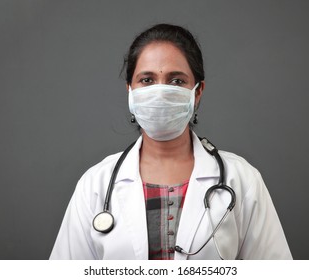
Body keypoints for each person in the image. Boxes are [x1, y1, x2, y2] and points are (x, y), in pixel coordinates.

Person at [50, 23, 292, 260]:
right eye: (147, 80)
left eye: (176, 81)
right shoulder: (95, 185)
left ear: (197, 92)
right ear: (130, 92)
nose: (160, 92)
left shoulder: (241, 180)